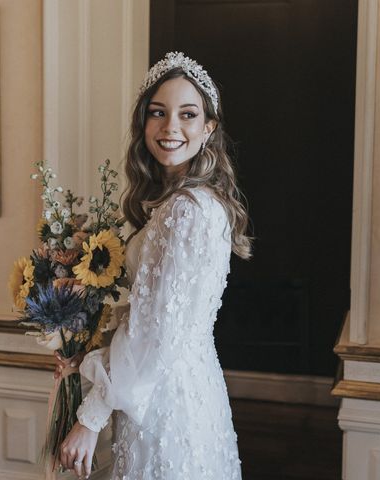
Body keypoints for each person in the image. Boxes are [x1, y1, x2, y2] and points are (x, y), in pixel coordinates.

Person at [58, 51, 252, 479]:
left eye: (187, 114)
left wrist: (89, 419)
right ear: (143, 123)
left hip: (165, 406)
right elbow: (152, 317)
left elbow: (156, 333)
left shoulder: (188, 210)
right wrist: (93, 350)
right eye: (158, 113)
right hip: (176, 390)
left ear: (209, 128)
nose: (170, 128)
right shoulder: (178, 204)